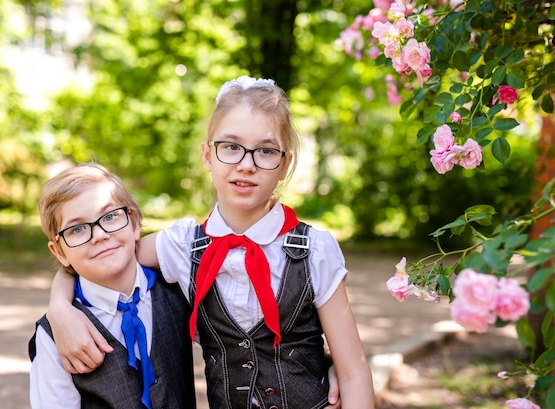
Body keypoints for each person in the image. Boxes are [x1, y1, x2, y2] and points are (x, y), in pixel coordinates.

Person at [48, 76, 374, 409]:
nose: (246, 165)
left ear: (284, 163)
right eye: (231, 147)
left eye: (265, 150)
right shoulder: (182, 246)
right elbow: (108, 253)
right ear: (207, 156)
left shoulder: (315, 250)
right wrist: (59, 309)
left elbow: (354, 374)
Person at [28, 163, 196, 409]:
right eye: (77, 229)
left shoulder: (177, 288)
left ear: (135, 222)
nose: (99, 235)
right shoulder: (53, 335)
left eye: (109, 216)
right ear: (60, 252)